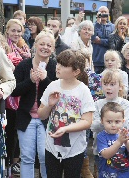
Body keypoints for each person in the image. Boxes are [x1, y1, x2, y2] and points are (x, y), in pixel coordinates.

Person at [38, 49, 95, 178]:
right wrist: (50, 105)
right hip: (51, 146)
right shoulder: (52, 85)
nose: (58, 67)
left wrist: (65, 128)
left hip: (74, 148)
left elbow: (87, 121)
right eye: (58, 63)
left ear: (76, 72)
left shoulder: (83, 90)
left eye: (63, 65)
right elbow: (41, 115)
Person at [10, 29, 57, 178]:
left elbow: (59, 92)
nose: (45, 47)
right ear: (35, 45)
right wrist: (30, 81)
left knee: (45, 157)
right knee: (27, 157)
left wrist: (45, 79)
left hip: (48, 118)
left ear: (53, 48)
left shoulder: (55, 66)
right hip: (27, 117)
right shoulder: (24, 65)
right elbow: (14, 90)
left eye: (49, 45)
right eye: (42, 44)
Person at [91, 69, 129, 178]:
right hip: (101, 146)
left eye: (112, 84)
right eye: (105, 84)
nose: (108, 87)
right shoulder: (97, 104)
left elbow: (125, 123)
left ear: (120, 86)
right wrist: (106, 123)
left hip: (123, 155)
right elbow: (93, 126)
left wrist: (105, 122)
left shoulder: (125, 103)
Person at [4, 18, 31, 176]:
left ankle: (15, 161)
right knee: (10, 130)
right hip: (8, 96)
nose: (16, 33)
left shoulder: (24, 47)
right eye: (13, 30)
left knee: (18, 129)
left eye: (18, 31)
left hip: (21, 93)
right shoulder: (4, 46)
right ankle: (8, 162)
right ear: (7, 30)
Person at [97, 102, 129, 178]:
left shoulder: (125, 134)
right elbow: (106, 155)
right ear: (102, 121)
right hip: (108, 175)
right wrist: (119, 142)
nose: (113, 125)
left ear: (122, 121)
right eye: (109, 121)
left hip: (126, 175)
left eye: (117, 121)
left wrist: (126, 141)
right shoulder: (101, 136)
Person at [92, 6, 115, 74]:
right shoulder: (93, 25)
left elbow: (111, 42)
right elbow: (93, 38)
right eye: (101, 12)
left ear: (108, 14)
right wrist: (98, 24)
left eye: (105, 12)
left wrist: (100, 41)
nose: (103, 13)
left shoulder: (113, 27)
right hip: (96, 61)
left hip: (109, 61)